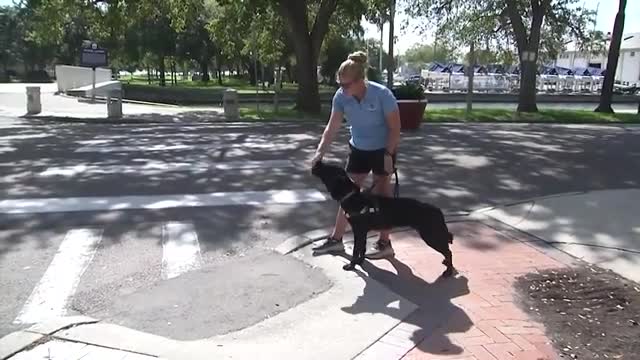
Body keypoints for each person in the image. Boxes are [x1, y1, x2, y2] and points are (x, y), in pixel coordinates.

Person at [310, 51, 401, 260]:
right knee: (347, 195)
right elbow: (331, 128)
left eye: (346, 84)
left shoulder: (382, 95)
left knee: (383, 196)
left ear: (361, 80)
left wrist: (388, 154)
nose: (342, 89)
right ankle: (336, 240)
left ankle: (385, 243)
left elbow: (395, 129)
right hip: (358, 149)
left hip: (382, 149)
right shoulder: (342, 97)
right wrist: (319, 153)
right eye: (340, 84)